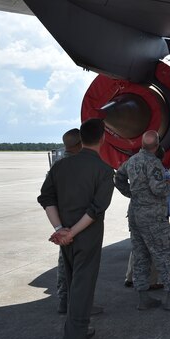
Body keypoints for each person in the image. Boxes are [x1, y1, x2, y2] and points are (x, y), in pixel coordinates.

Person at [37, 118, 114, 339]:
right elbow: (96, 209)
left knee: (72, 286)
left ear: (81, 138)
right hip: (86, 237)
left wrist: (60, 229)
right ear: (102, 139)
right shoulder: (103, 170)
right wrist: (72, 233)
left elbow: (46, 197)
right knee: (82, 289)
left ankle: (79, 330)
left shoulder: (60, 167)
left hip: (65, 238)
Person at [115, 131, 170, 311]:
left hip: (135, 214)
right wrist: (168, 186)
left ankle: (143, 298)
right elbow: (158, 189)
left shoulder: (132, 161)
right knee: (168, 255)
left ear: (141, 144)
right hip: (153, 217)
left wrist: (131, 194)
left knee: (140, 255)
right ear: (156, 146)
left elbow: (118, 177)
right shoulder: (154, 163)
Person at [56, 128, 106, 315]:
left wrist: (60, 228)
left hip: (64, 224)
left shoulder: (59, 163)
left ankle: (65, 301)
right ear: (79, 144)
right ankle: (78, 307)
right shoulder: (76, 164)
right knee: (80, 271)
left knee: (66, 265)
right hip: (81, 226)